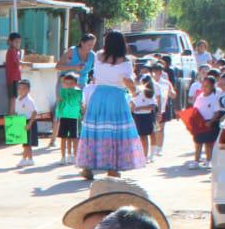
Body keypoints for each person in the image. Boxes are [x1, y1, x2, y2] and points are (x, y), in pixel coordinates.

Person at [77, 31, 145, 179]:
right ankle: (112, 167)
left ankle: (87, 166)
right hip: (116, 97)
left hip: (98, 95)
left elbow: (95, 77)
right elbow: (127, 81)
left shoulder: (99, 56)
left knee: (94, 130)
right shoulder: (125, 61)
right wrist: (135, 92)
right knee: (115, 132)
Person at [188, 74, 224, 170]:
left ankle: (209, 161)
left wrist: (211, 121)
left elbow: (217, 112)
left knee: (209, 144)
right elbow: (195, 109)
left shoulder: (215, 97)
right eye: (203, 86)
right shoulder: (200, 96)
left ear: (212, 86)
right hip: (199, 123)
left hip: (210, 123)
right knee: (198, 143)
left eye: (206, 86)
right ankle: (196, 161)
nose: (204, 88)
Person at [53, 72, 82, 163]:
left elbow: (74, 102)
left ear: (75, 83)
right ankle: (63, 157)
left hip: (74, 117)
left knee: (73, 138)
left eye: (71, 83)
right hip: (64, 117)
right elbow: (60, 103)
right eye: (66, 83)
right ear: (63, 84)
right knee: (63, 138)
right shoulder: (62, 92)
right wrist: (58, 114)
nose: (68, 85)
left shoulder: (78, 93)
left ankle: (74, 156)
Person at [14, 78, 41, 166]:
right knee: (25, 142)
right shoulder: (18, 99)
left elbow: (35, 112)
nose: (21, 90)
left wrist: (29, 124)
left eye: (23, 88)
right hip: (21, 121)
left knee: (27, 143)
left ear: (28, 90)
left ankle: (23, 159)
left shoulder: (29, 100)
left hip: (29, 122)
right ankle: (30, 159)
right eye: (19, 88)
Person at [131, 73, 158, 159]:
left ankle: (151, 155)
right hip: (138, 116)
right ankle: (144, 155)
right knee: (142, 136)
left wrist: (140, 107)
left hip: (147, 116)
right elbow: (132, 103)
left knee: (151, 134)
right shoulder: (137, 92)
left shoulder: (149, 93)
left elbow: (152, 106)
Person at [4, 32, 25, 103]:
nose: (18, 44)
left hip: (13, 78)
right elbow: (17, 62)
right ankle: (11, 113)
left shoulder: (14, 51)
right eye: (16, 42)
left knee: (13, 98)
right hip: (13, 78)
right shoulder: (12, 51)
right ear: (10, 42)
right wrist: (28, 64)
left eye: (19, 42)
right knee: (13, 99)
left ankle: (12, 112)